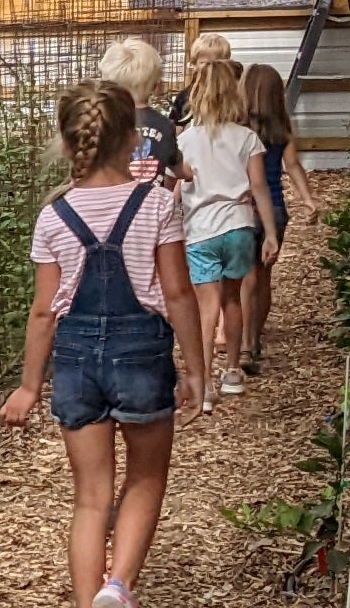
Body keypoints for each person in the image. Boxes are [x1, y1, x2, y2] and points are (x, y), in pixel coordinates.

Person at [0, 80, 205, 608]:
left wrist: (30, 385)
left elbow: (44, 310)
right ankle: (118, 585)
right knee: (144, 479)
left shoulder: (53, 216)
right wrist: (196, 371)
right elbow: (178, 293)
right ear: (135, 140)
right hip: (141, 354)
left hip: (75, 360)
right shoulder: (158, 204)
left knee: (90, 497)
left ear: (69, 146)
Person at [177, 53, 275, 397]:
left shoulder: (185, 141)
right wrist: (271, 233)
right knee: (233, 300)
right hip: (239, 227)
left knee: (205, 307)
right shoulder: (247, 138)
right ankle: (232, 371)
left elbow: (175, 184)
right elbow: (260, 188)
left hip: (200, 230)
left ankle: (202, 382)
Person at [241, 61, 295, 372]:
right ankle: (255, 338)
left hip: (245, 209)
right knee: (264, 279)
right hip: (274, 210)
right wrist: (308, 198)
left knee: (245, 279)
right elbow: (294, 165)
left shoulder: (238, 130)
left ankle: (245, 345)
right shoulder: (281, 130)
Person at [98, 34, 183, 185]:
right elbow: (178, 166)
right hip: (151, 201)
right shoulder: (164, 125)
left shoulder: (103, 120)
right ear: (154, 86)